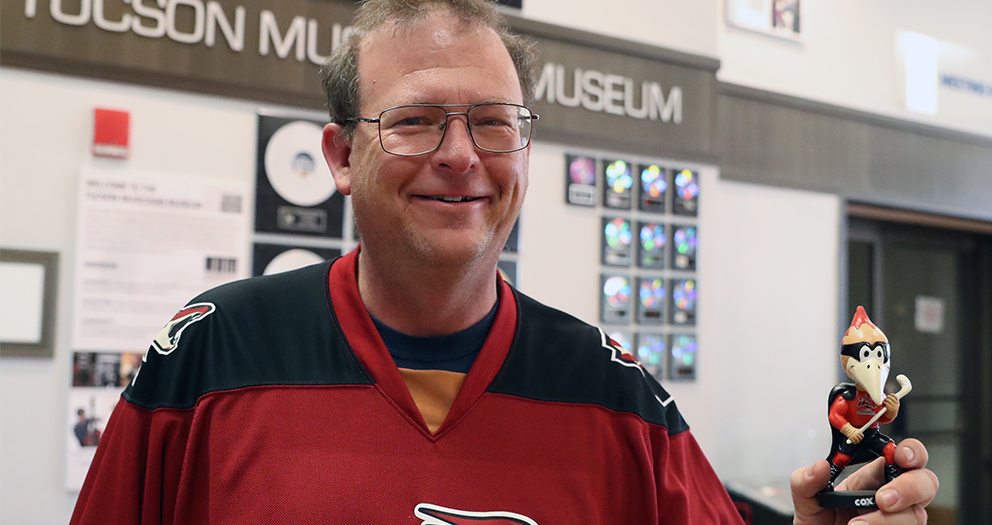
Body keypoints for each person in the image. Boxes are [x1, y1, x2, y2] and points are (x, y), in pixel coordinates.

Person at [71, 0, 937, 523]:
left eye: (494, 123)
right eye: (414, 121)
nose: (461, 155)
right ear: (339, 156)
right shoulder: (209, 359)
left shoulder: (621, 401)